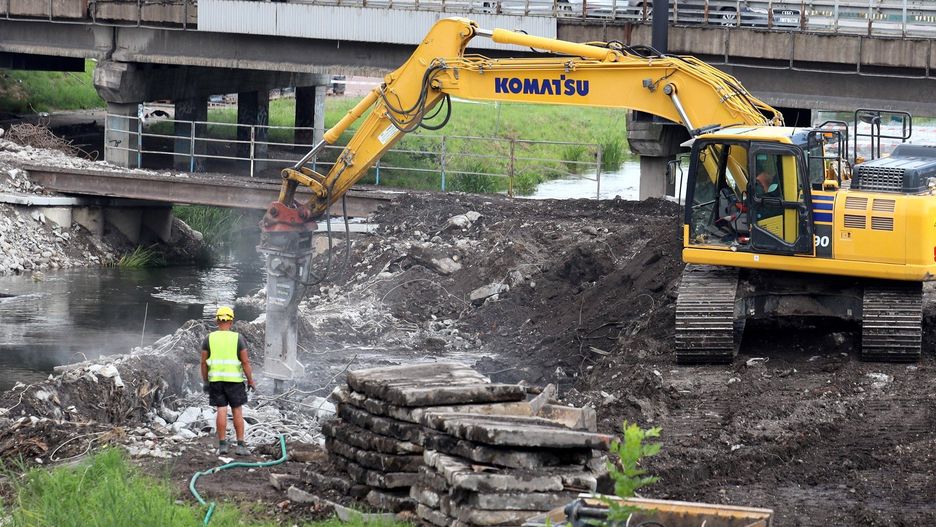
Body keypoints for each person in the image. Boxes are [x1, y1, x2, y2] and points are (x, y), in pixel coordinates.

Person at [200, 306, 256, 456]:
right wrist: (250, 380)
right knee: (237, 410)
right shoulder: (238, 338)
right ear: (231, 321)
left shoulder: (209, 338)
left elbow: (203, 363)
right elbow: (245, 362)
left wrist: (206, 381)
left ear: (217, 321)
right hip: (235, 381)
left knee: (221, 410)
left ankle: (223, 445)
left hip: (216, 380)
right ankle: (240, 445)